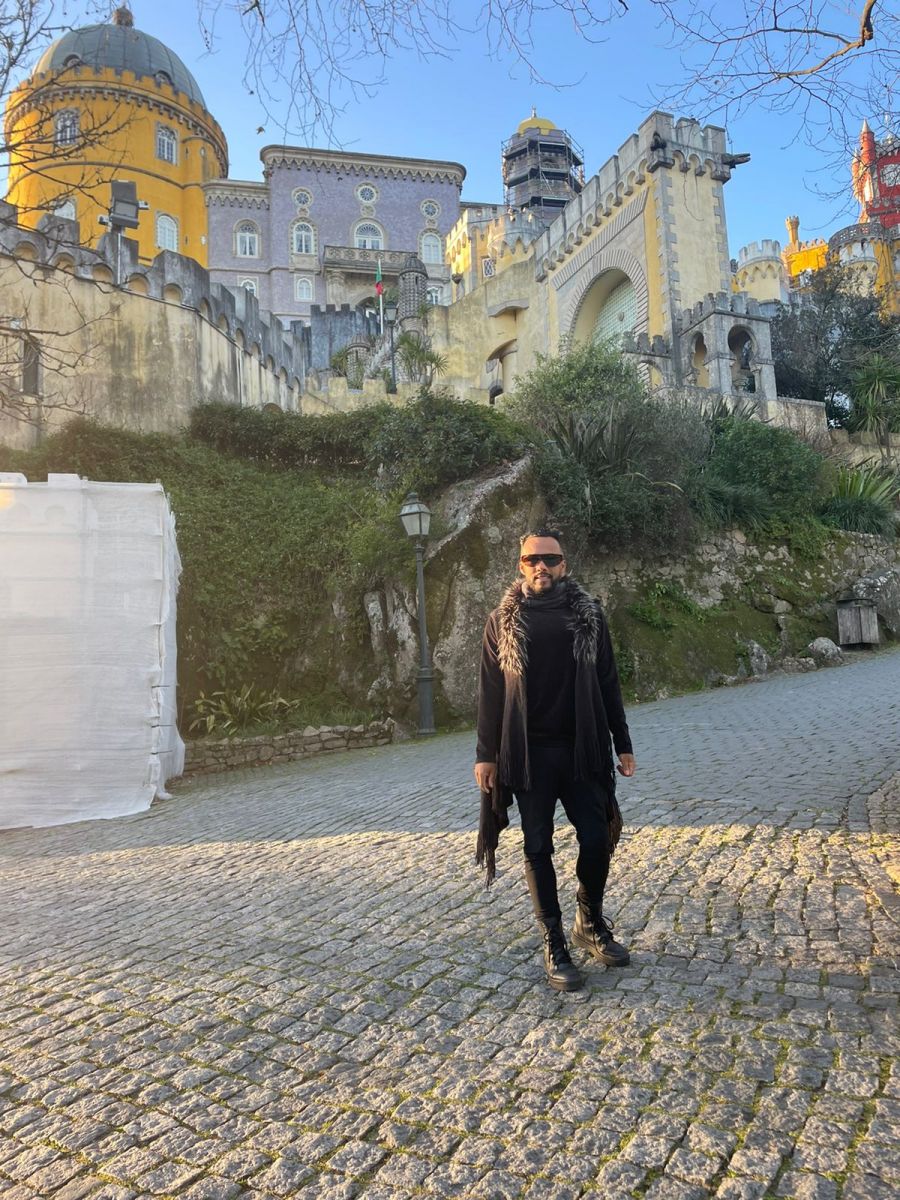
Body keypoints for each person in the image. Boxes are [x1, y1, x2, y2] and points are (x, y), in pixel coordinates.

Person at [474, 529, 636, 992]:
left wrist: (622, 742)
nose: (540, 566)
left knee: (595, 837)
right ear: (520, 565)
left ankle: (589, 922)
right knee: (537, 845)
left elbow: (609, 681)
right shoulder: (501, 622)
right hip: (527, 755)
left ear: (564, 564)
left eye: (550, 558)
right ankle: (554, 942)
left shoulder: (588, 617)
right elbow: (489, 692)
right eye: (531, 559)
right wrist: (485, 754)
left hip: (582, 750)